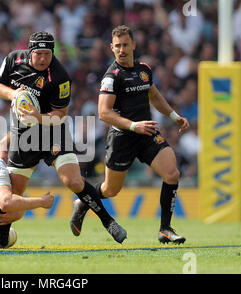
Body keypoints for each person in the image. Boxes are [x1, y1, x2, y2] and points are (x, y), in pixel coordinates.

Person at [0, 31, 127, 244]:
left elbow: (60, 114)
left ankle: (108, 221)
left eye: (48, 54)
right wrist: (13, 94)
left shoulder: (60, 76)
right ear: (30, 51)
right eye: (39, 54)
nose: (44, 58)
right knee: (14, 192)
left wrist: (38, 116)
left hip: (52, 129)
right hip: (23, 134)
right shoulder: (14, 60)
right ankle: (2, 239)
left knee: (72, 180)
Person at [70, 25, 190, 244]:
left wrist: (175, 116)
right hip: (122, 138)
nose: (122, 50)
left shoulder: (144, 69)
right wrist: (134, 126)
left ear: (134, 45)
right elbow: (103, 113)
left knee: (172, 173)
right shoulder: (111, 77)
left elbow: (154, 96)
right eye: (117, 46)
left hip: (146, 134)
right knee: (110, 189)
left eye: (125, 45)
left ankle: (165, 229)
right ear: (111, 48)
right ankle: (84, 202)